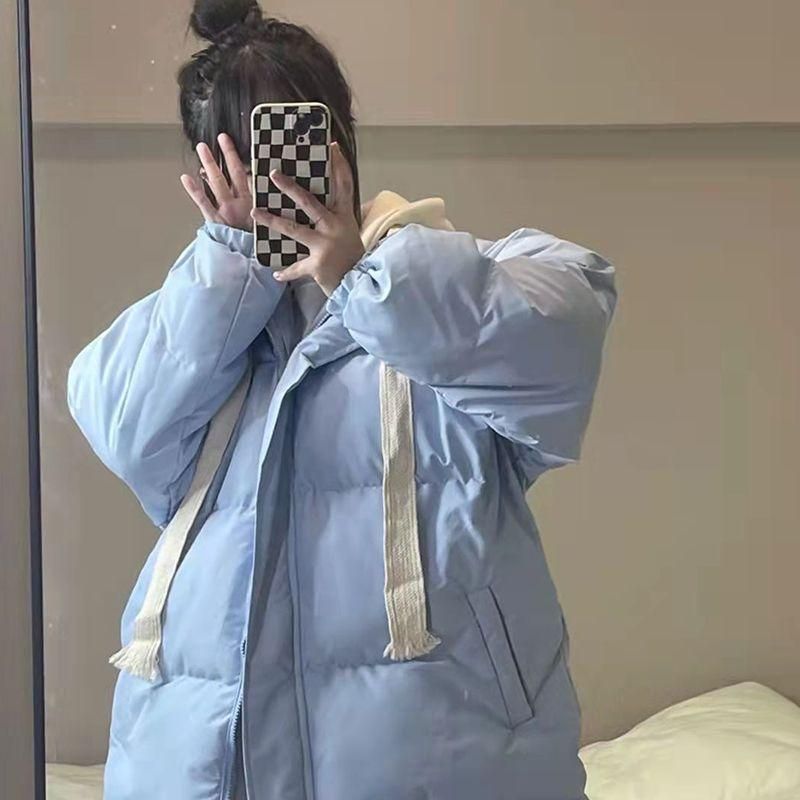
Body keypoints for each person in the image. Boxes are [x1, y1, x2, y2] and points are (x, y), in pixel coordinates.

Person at [66, 1, 618, 798]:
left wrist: (363, 277)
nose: (275, 180)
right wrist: (231, 264)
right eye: (244, 156)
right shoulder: (200, 330)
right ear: (207, 173)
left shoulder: (440, 293)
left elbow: (567, 327)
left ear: (338, 141)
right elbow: (121, 424)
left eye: (290, 144)